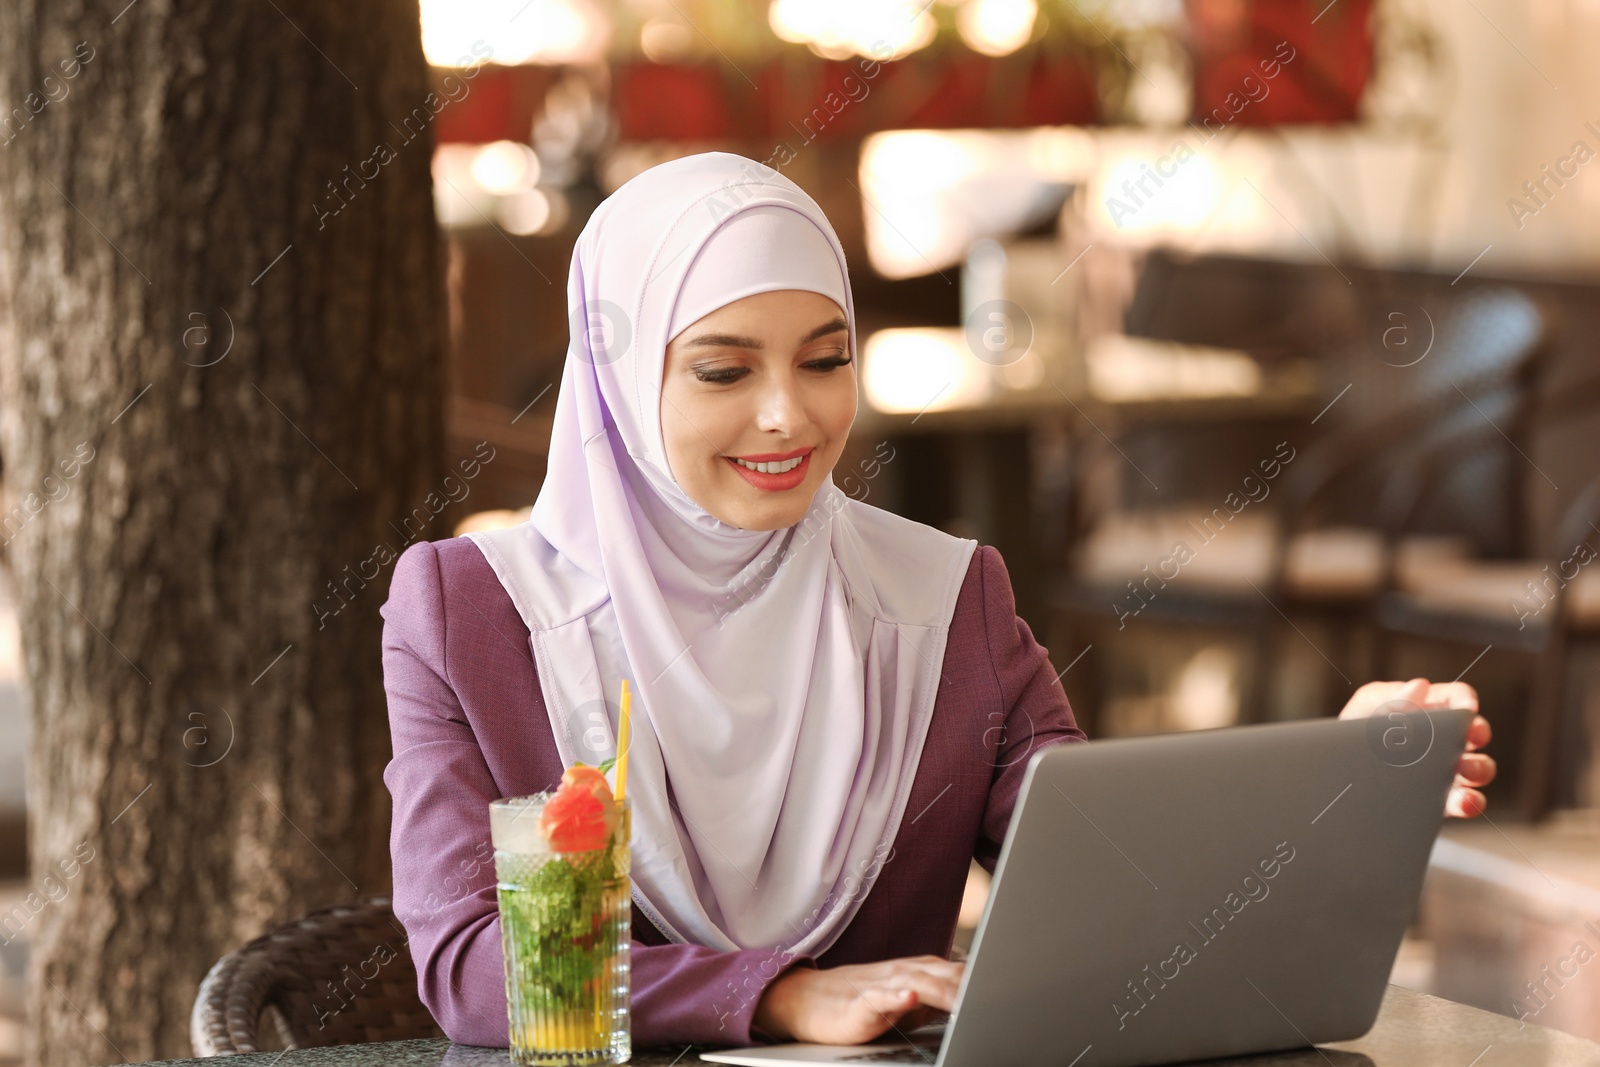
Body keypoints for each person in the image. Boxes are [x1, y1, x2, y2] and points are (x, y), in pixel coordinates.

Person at [380, 152, 1497, 1050]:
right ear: (621, 385)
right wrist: (780, 995)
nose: (788, 417)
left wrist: (1331, 791)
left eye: (825, 360)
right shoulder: (473, 615)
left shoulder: (944, 597)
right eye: (723, 371)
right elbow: (470, 970)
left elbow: (1114, 886)